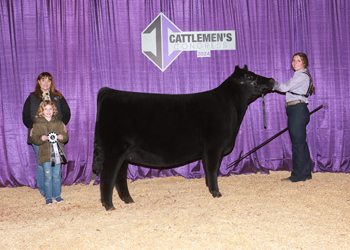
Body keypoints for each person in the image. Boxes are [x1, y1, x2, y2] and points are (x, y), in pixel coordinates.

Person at [22, 72, 70, 196]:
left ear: (51, 83)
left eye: (48, 80)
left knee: (56, 162)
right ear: (38, 82)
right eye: (43, 80)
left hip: (56, 136)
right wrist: (31, 126)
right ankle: (44, 190)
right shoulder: (32, 97)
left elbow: (67, 112)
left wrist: (63, 124)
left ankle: (55, 191)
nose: (45, 83)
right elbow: (25, 116)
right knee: (41, 162)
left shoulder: (58, 96)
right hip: (39, 135)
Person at [273, 52, 315, 182]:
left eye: (298, 60)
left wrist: (270, 83)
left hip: (297, 110)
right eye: (293, 60)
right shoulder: (300, 76)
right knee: (300, 143)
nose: (295, 63)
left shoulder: (301, 76)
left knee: (297, 144)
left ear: (304, 63)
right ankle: (305, 173)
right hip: (297, 110)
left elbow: (284, 87)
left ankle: (297, 175)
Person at [31, 100, 69, 205]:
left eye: (50, 109)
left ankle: (57, 195)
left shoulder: (59, 123)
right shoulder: (37, 124)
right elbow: (34, 138)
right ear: (41, 111)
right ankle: (48, 197)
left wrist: (62, 137)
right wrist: (41, 138)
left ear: (54, 110)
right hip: (45, 155)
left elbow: (65, 136)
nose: (48, 111)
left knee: (56, 175)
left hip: (57, 155)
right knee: (48, 176)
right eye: (45, 109)